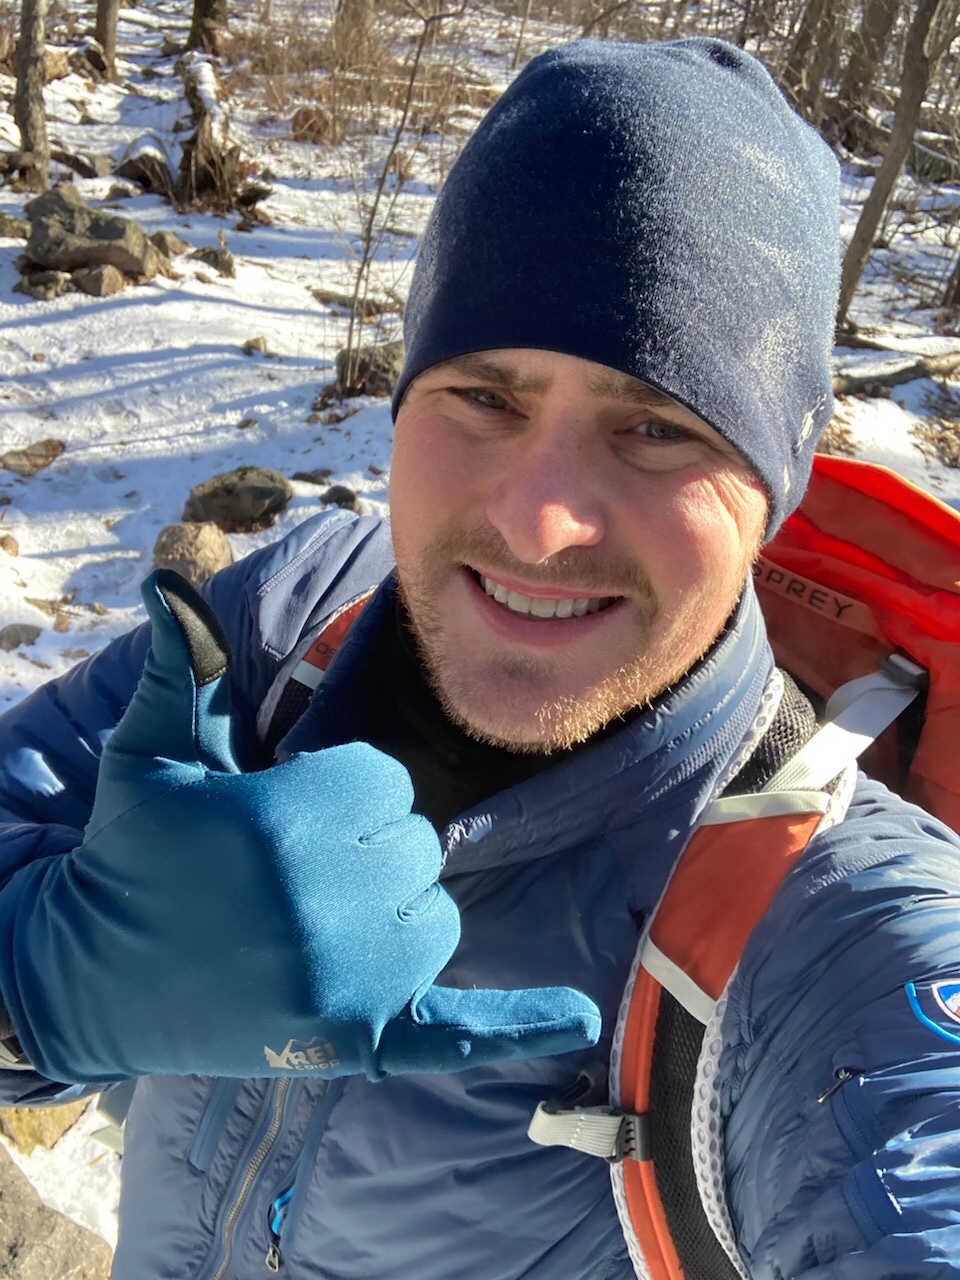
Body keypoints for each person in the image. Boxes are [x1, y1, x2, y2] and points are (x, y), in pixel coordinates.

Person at [2, 34, 960, 1280]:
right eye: (487, 397)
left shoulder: (836, 927)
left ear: (774, 487)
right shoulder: (290, 620)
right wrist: (38, 983)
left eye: (657, 427)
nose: (538, 521)